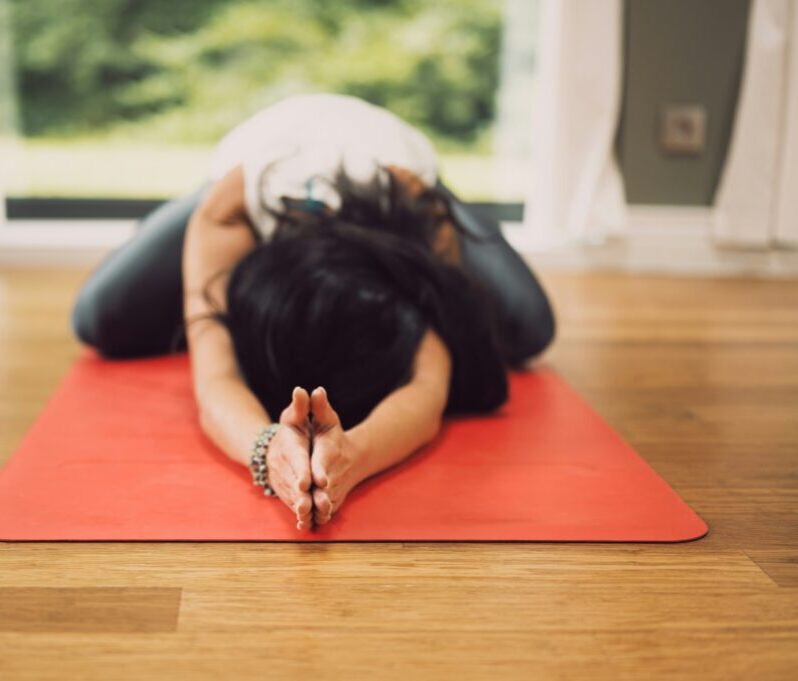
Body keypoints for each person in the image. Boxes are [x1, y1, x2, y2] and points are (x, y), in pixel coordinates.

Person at [70, 93, 556, 531]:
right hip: (252, 154)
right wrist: (268, 451)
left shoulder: (415, 216)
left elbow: (430, 383)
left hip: (397, 160)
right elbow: (214, 377)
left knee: (530, 327)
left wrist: (352, 458)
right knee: (98, 319)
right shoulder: (230, 211)